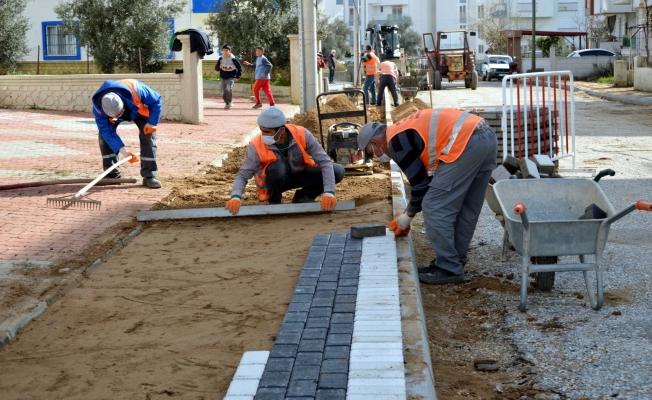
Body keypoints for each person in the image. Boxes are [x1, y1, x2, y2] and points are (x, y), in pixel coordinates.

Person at [357, 109, 497, 284]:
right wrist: (410, 210)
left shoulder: (396, 143)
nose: (376, 158)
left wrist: (407, 216)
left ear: (376, 143)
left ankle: (448, 268)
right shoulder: (402, 131)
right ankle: (453, 262)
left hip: (466, 142)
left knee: (434, 205)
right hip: (485, 136)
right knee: (466, 206)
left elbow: (421, 186)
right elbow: (428, 179)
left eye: (371, 153)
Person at [225, 107, 345, 214]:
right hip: (275, 180)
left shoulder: (302, 133)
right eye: (261, 130)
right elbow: (243, 174)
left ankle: (303, 197)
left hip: (301, 174)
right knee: (277, 167)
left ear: (281, 130)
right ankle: (275, 202)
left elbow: (324, 161)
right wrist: (235, 196)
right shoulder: (256, 146)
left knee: (337, 171)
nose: (263, 135)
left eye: (267, 132)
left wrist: (329, 192)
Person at [91, 79, 163, 188]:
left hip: (137, 110)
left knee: (148, 135)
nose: (118, 117)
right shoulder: (99, 110)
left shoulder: (137, 89)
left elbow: (156, 100)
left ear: (122, 103)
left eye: (119, 114)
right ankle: (112, 175)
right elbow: (107, 132)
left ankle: (149, 176)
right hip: (117, 112)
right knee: (104, 137)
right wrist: (124, 152)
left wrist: (152, 123)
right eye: (115, 116)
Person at [215, 44, 242, 109]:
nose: (225, 52)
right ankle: (227, 103)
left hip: (231, 76)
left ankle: (230, 101)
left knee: (228, 88)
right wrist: (219, 67)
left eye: (226, 50)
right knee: (222, 93)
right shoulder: (221, 58)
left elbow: (239, 67)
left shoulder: (233, 59)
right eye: (224, 50)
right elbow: (216, 68)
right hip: (223, 76)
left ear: (230, 51)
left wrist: (238, 76)